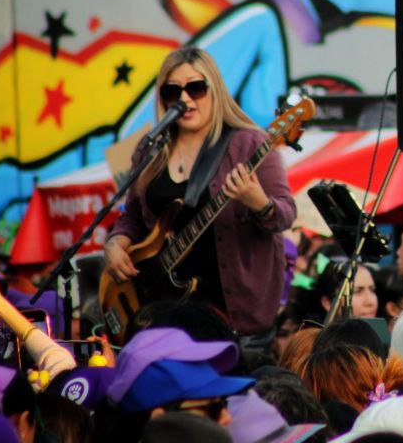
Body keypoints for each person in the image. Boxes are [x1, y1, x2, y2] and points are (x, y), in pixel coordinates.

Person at [105, 46, 296, 349]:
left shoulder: (249, 144)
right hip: (160, 311)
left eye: (195, 88)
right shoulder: (150, 151)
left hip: (232, 317)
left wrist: (259, 202)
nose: (185, 99)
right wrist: (116, 242)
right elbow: (133, 217)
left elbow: (285, 214)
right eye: (173, 91)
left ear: (215, 89)